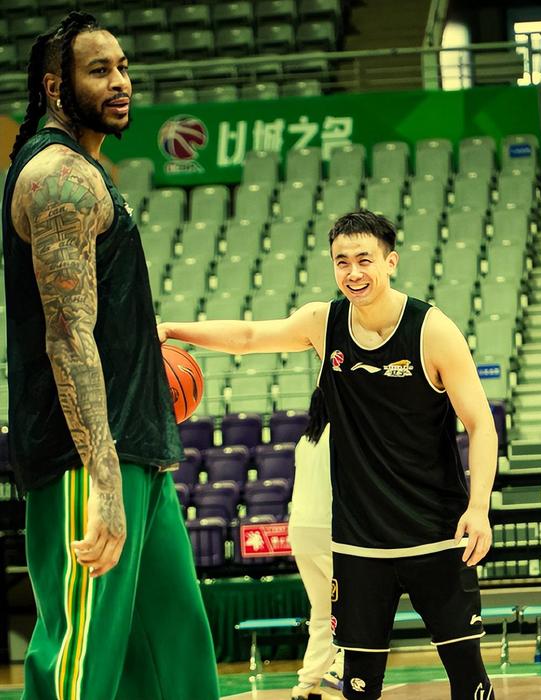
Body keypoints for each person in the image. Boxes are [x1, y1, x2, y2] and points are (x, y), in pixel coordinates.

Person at [159, 209, 498, 700]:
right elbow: (249, 338)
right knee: (358, 688)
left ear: (391, 262)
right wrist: (173, 330)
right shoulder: (325, 323)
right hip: (359, 543)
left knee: (468, 679)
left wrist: (479, 506)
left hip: (435, 533)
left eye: (365, 260)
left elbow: (481, 424)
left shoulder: (432, 331)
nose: (353, 272)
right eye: (342, 262)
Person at [2, 12, 219, 700]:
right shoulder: (56, 176)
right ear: (54, 87)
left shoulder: (89, 171)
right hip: (87, 459)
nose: (121, 81)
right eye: (100, 70)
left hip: (136, 450)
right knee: (83, 659)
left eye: (123, 67)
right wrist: (102, 480)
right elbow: (67, 337)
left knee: (176, 651)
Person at [288, 388, 344, 700]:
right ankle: (341, 667)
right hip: (327, 530)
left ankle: (307, 684)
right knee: (355, 602)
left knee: (322, 613)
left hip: (300, 532)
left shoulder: (304, 441)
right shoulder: (340, 437)